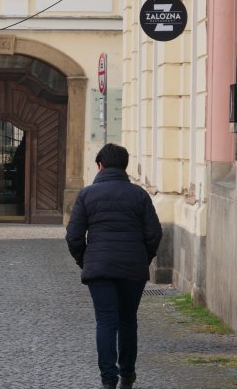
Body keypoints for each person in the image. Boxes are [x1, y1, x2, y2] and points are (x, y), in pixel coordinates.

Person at [65, 143, 162, 389]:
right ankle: (127, 375)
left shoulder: (87, 195)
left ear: (100, 165)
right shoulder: (139, 195)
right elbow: (154, 234)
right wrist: (143, 258)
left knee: (106, 321)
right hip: (133, 268)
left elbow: (74, 236)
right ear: (125, 166)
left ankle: (108, 380)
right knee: (128, 320)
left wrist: (85, 260)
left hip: (99, 268)